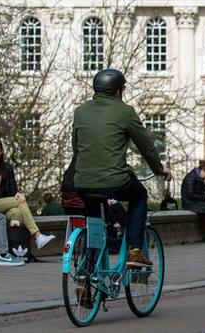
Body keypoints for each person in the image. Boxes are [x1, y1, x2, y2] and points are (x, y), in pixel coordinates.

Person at [72, 68, 171, 268]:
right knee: (139, 195)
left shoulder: (80, 111)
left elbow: (76, 148)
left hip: (83, 182)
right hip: (114, 181)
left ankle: (86, 275)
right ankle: (134, 250)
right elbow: (146, 146)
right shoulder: (125, 111)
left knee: (95, 224)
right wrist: (160, 169)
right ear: (119, 91)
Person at [0, 138, 55, 250]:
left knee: (17, 211)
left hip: (2, 207)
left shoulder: (7, 168)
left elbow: (12, 189)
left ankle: (13, 249)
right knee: (18, 201)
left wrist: (17, 193)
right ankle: (37, 236)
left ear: (1, 152)